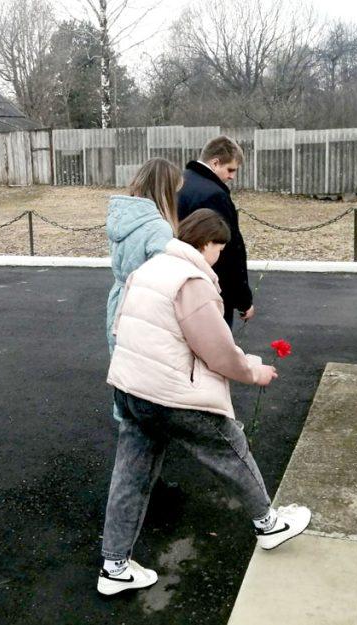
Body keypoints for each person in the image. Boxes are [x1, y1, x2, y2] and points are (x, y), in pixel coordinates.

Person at [97, 209, 311, 596]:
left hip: (131, 388)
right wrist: (254, 372)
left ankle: (114, 566)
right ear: (208, 243)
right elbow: (218, 352)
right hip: (170, 394)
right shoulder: (191, 280)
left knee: (131, 474)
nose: (219, 256)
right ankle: (269, 524)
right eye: (220, 248)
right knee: (230, 447)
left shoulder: (148, 269)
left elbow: (120, 327)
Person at [105, 158, 182, 420]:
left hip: (118, 299)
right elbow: (162, 275)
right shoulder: (158, 228)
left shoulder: (119, 220)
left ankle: (125, 416)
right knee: (147, 369)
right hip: (144, 304)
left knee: (122, 362)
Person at [177, 136, 254, 327]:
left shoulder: (180, 183)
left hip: (181, 281)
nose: (232, 177)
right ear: (215, 162)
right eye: (230, 170)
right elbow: (228, 250)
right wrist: (243, 299)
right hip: (210, 288)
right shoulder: (213, 195)